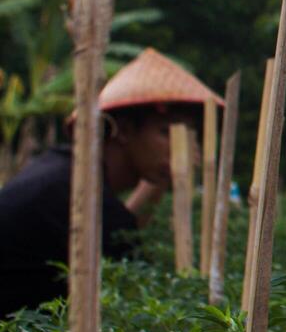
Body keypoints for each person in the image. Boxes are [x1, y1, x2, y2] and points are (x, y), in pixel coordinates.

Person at [0, 48, 218, 316]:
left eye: (187, 135)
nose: (180, 146)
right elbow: (131, 282)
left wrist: (160, 179)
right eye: (166, 132)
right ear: (124, 130)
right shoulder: (77, 195)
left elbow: (124, 228)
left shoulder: (64, 169)